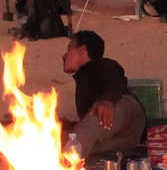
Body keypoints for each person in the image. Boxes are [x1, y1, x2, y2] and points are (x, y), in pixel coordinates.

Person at [62, 29, 146, 158]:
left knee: (96, 116)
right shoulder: (83, 77)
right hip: (126, 138)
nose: (64, 56)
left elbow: (116, 78)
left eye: (69, 49)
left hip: (126, 110)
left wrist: (107, 100)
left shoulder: (101, 65)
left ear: (82, 50)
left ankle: (66, 165)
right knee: (69, 139)